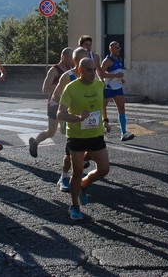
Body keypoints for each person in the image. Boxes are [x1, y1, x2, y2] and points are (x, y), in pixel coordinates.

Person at [57, 57, 110, 220]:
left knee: (104, 169)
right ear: (80, 70)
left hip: (95, 135)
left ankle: (84, 185)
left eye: (94, 70)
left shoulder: (99, 84)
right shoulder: (71, 88)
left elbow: (101, 106)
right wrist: (79, 118)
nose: (93, 73)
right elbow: (60, 113)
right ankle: (74, 206)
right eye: (89, 70)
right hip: (77, 137)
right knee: (77, 172)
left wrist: (105, 120)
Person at [51, 47, 89, 192]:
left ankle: (79, 171)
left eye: (88, 59)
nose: (86, 63)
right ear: (75, 61)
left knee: (92, 149)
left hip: (88, 120)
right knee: (70, 153)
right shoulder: (67, 77)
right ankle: (64, 177)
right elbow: (56, 96)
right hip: (72, 120)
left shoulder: (91, 76)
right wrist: (61, 119)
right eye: (82, 60)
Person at [28, 47, 73, 158]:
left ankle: (73, 153)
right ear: (63, 57)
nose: (71, 61)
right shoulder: (54, 70)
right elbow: (45, 88)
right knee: (51, 132)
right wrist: (60, 88)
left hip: (68, 103)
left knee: (71, 129)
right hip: (55, 103)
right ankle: (35, 142)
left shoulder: (72, 70)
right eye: (69, 58)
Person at [101, 41, 134, 142]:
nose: (118, 49)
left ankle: (123, 133)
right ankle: (104, 124)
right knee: (102, 107)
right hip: (108, 87)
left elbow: (118, 73)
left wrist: (121, 79)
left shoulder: (119, 59)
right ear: (110, 49)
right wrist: (115, 76)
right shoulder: (107, 61)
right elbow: (101, 74)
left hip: (117, 88)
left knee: (122, 108)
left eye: (119, 47)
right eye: (116, 48)